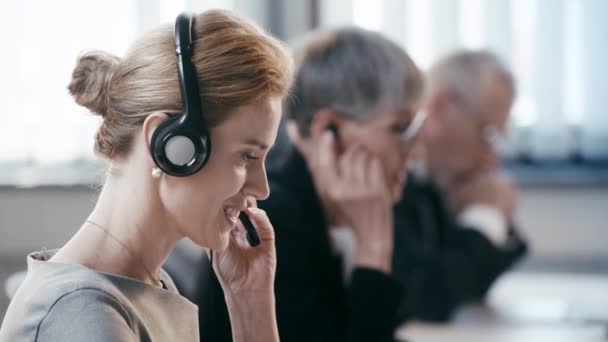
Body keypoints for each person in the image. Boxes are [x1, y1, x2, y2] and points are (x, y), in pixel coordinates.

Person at [0, 10, 292, 342]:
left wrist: (250, 302)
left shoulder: (143, 287)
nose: (262, 188)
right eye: (247, 156)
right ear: (170, 146)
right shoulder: (85, 316)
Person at [197, 27, 425, 342]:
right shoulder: (272, 221)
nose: (415, 151)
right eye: (399, 128)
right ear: (328, 130)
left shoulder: (363, 206)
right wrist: (373, 249)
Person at [391, 50, 527, 322]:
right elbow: (428, 299)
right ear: (441, 107)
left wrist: (493, 217)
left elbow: (471, 287)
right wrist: (485, 217)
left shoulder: (438, 184)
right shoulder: (390, 176)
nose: (493, 157)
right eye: (488, 134)